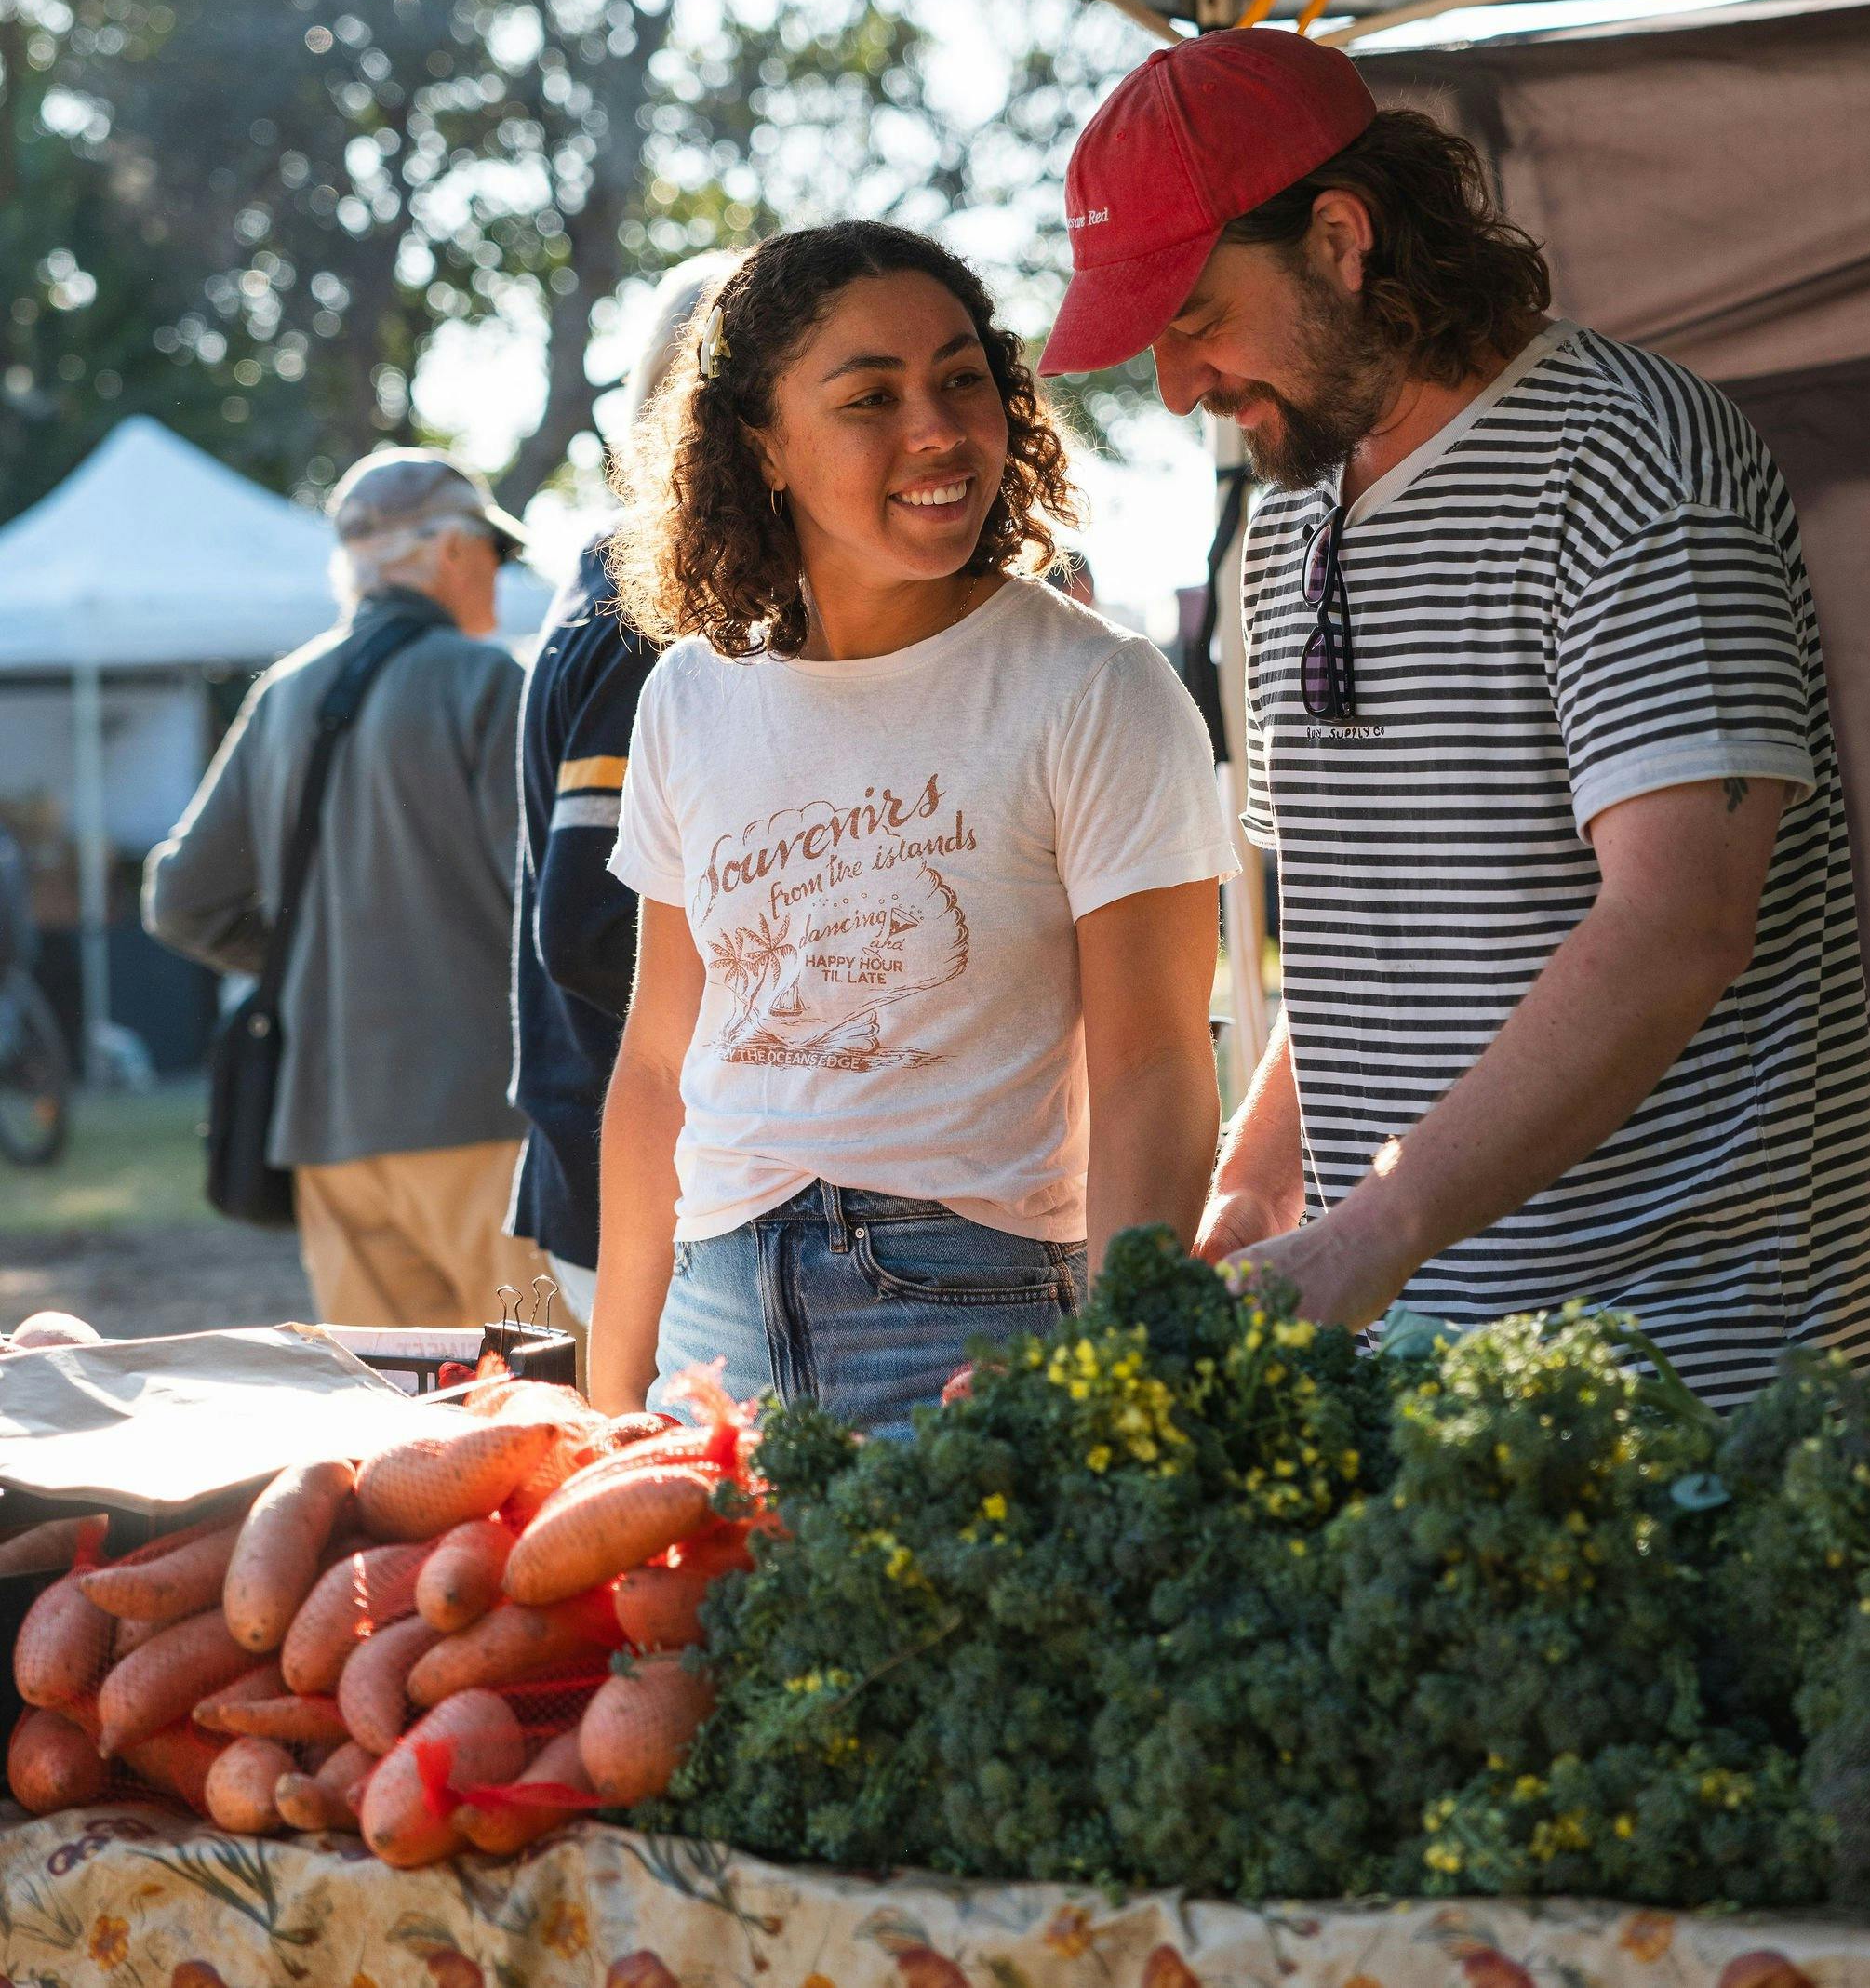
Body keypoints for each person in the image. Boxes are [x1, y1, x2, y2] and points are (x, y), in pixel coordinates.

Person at [1039, 25, 1870, 1410]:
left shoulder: (1632, 461)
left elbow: (1680, 924)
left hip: (1714, 1375)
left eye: (1196, 317)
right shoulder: (1286, 531)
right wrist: (1258, 1201)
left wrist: (1375, 1228)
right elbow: (1365, 953)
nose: (1178, 384)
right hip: (1434, 1377)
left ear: (1338, 237)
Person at [588, 222, 1237, 1434]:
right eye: (870, 398)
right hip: (709, 1322)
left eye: (961, 379)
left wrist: (1111, 1374)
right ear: (763, 444)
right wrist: (609, 1390)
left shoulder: (1096, 687)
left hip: (970, 1310)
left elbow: (1154, 1063)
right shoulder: (689, 691)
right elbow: (659, 1065)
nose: (937, 429)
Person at [144, 449, 555, 1330]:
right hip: (481, 1116)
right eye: (493, 549)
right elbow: (543, 902)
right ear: (451, 552)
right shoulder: (487, 680)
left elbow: (179, 898)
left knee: (392, 1429)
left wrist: (308, 961)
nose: (499, 571)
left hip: (328, 1130)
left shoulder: (283, 694)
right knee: (542, 1409)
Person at [506, 253, 738, 1329]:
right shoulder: (644, 612)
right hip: (640, 1176)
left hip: (614, 1157)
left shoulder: (605, 578)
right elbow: (591, 922)